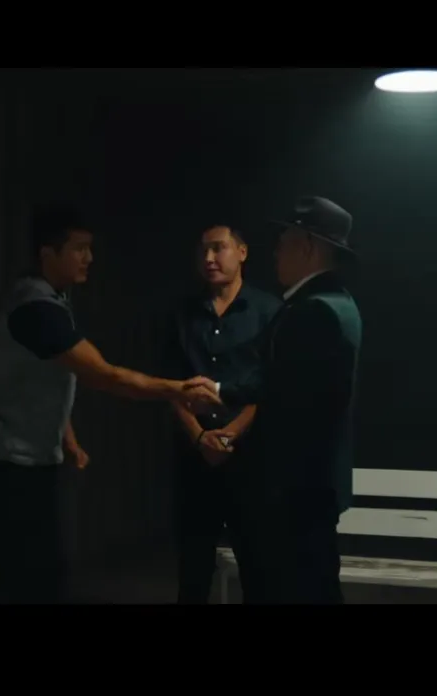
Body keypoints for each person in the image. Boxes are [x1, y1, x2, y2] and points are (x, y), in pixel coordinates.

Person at [0, 204, 220, 604]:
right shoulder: (36, 308)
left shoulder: (53, 298)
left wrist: (67, 437)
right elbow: (105, 375)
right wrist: (179, 389)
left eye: (89, 248)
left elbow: (49, 374)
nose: (89, 257)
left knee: (44, 577)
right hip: (12, 466)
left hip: (31, 462)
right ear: (48, 254)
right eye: (79, 248)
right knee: (28, 582)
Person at [215, 196, 363, 604]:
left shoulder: (311, 311)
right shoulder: (340, 303)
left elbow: (280, 390)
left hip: (291, 492)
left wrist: (219, 392)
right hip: (313, 489)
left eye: (284, 241)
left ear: (308, 246)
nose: (276, 252)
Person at [165, 222, 280, 604]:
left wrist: (230, 434)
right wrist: (200, 437)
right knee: (193, 570)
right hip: (195, 457)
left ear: (242, 252)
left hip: (250, 459)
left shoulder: (269, 311)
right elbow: (171, 385)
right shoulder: (182, 313)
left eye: (219, 248)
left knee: (258, 567)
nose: (209, 258)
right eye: (203, 251)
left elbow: (270, 385)